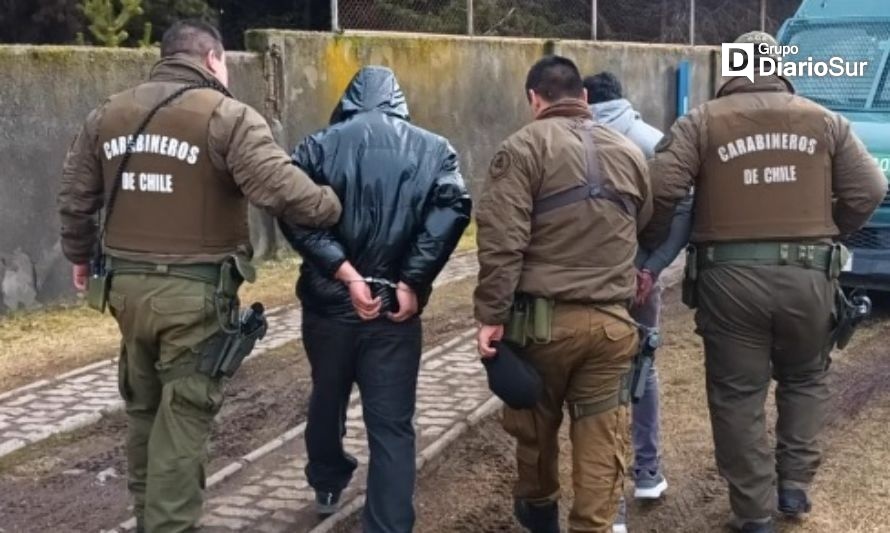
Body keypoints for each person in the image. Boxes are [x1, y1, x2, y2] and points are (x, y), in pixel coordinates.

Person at [57, 20, 342, 533]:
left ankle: (148, 518)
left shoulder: (107, 114)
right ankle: (169, 526)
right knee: (183, 420)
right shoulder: (228, 117)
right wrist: (332, 206)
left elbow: (76, 200)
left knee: (144, 411)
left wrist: (79, 255)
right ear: (213, 59)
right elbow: (278, 189)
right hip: (193, 297)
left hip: (124, 291)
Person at [641, 32, 886, 533]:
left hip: (728, 279)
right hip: (809, 274)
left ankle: (752, 512)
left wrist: (654, 235)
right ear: (778, 66)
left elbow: (661, 185)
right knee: (805, 378)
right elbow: (871, 188)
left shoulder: (701, 121)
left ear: (732, 68)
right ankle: (793, 487)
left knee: (737, 394)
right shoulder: (825, 120)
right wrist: (828, 228)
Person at [278, 66, 471, 533]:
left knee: (327, 397)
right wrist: (410, 281)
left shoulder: (317, 146)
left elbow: (290, 208)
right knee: (393, 426)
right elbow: (453, 209)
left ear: (349, 100)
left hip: (329, 308)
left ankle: (326, 480)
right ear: (397, 102)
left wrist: (344, 273)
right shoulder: (435, 149)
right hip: (395, 312)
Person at [475, 55, 652, 533]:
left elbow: (501, 241)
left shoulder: (520, 148)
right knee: (601, 439)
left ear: (534, 98)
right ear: (584, 97)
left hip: (542, 329)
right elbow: (642, 225)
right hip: (613, 329)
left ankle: (539, 514)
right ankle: (593, 527)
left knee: (534, 430)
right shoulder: (630, 152)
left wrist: (490, 316)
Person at [585, 70, 693, 532]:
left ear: (584, 98)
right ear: (623, 100)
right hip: (641, 280)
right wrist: (651, 268)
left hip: (586, 282)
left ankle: (611, 508)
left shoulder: (569, 140)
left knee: (595, 382)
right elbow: (685, 210)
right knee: (643, 370)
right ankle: (648, 472)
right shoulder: (655, 141)